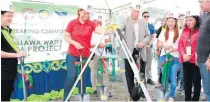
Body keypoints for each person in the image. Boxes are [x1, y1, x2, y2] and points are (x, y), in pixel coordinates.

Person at [63, 4, 110, 100]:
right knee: (71, 77)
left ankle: (82, 96)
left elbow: (99, 30)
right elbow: (66, 36)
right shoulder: (72, 23)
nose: (86, 15)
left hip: (85, 55)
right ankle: (66, 98)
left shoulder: (91, 23)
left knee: (83, 78)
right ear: (79, 11)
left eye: (88, 14)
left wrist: (108, 30)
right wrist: (74, 43)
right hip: (72, 54)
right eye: (84, 13)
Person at [118, 2, 151, 99]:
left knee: (141, 72)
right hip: (128, 51)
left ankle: (142, 91)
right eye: (135, 11)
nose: (136, 13)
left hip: (140, 50)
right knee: (129, 72)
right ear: (131, 10)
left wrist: (143, 42)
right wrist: (116, 30)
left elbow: (148, 36)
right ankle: (132, 92)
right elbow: (119, 29)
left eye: (138, 12)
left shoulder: (144, 22)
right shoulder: (126, 20)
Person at [1, 1, 26, 101]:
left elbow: (13, 46)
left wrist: (19, 52)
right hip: (2, 72)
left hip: (10, 70)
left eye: (12, 16)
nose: (11, 19)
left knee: (6, 96)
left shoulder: (9, 30)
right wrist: (17, 54)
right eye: (8, 16)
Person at [178, 11, 201, 101]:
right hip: (186, 61)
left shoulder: (201, 31)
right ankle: (187, 99)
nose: (188, 22)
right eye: (187, 20)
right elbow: (180, 44)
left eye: (190, 20)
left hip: (196, 62)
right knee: (187, 83)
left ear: (196, 20)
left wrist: (191, 56)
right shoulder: (184, 30)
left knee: (196, 82)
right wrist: (183, 54)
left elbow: (201, 46)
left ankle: (195, 99)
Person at [157, 12, 180, 101]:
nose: (170, 23)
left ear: (176, 22)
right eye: (169, 21)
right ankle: (165, 94)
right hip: (164, 57)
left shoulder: (179, 32)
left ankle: (172, 95)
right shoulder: (163, 31)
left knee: (173, 77)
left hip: (174, 58)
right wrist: (163, 45)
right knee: (164, 77)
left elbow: (182, 46)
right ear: (166, 21)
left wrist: (174, 49)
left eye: (172, 21)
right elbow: (158, 44)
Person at [89, 15, 112, 97]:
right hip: (93, 53)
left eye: (100, 21)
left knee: (105, 72)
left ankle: (106, 90)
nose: (98, 23)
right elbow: (88, 44)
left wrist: (104, 44)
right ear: (93, 22)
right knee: (93, 72)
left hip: (103, 53)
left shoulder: (104, 31)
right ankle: (95, 89)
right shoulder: (90, 31)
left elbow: (107, 42)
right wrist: (97, 45)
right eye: (97, 21)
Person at [197, 0, 210, 101]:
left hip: (207, 59)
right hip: (201, 58)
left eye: (202, 1)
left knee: (209, 89)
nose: (201, 4)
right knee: (206, 86)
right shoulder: (206, 15)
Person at [142, 11, 156, 85]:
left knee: (149, 63)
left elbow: (154, 37)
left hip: (149, 47)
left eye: (148, 16)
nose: (146, 17)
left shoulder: (151, 26)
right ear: (142, 17)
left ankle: (149, 78)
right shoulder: (139, 25)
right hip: (141, 47)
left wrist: (149, 44)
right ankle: (141, 78)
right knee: (141, 63)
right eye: (145, 16)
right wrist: (144, 45)